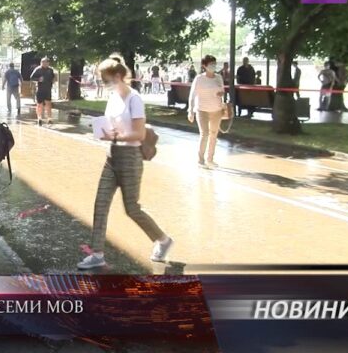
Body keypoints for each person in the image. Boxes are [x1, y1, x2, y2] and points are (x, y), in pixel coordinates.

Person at [77, 54, 173, 270]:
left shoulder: (134, 99)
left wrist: (115, 135)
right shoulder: (113, 98)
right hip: (112, 156)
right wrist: (102, 130)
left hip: (130, 158)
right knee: (100, 204)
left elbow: (139, 134)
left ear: (119, 76)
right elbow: (112, 125)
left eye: (107, 79)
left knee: (132, 209)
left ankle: (163, 240)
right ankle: (97, 254)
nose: (105, 84)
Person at [188, 55, 225, 168]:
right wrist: (190, 110)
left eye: (214, 63)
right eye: (211, 64)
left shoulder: (218, 77)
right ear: (204, 66)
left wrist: (221, 94)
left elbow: (222, 91)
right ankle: (200, 160)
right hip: (202, 110)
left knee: (213, 134)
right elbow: (192, 95)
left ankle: (210, 159)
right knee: (205, 134)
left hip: (216, 110)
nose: (213, 66)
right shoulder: (199, 79)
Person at [30, 57, 56, 125]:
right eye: (43, 62)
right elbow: (32, 77)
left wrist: (53, 81)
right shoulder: (38, 69)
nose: (44, 63)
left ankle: (49, 118)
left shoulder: (50, 70)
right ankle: (39, 118)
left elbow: (53, 77)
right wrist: (38, 79)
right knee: (39, 104)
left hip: (48, 89)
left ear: (48, 63)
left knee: (48, 104)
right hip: (40, 89)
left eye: (46, 62)